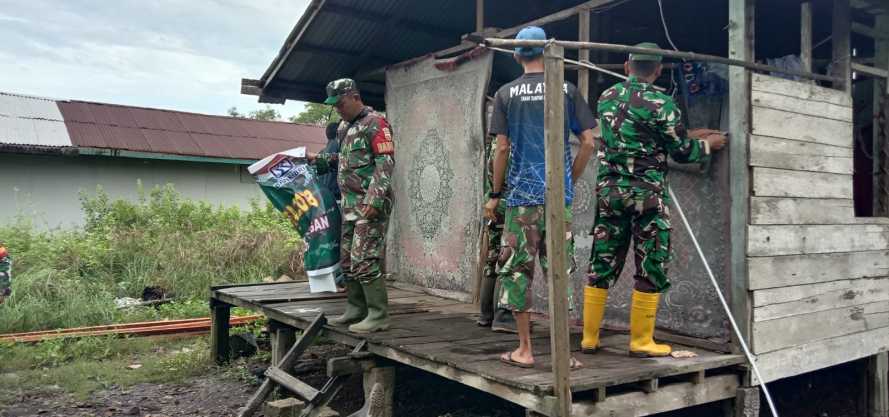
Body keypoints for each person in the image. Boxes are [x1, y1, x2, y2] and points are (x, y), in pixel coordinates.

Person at [581, 43, 727, 357]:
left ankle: (589, 337)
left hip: (609, 194)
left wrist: (691, 132)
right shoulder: (663, 103)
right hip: (647, 197)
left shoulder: (606, 99)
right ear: (658, 70)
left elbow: (637, 130)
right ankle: (641, 341)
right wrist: (709, 144)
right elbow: (680, 150)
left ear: (626, 66)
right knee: (650, 263)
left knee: (602, 261)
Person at [485, 26, 598, 369]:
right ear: (548, 54)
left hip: (521, 197)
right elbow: (589, 143)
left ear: (518, 54)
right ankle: (563, 354)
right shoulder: (567, 89)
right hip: (556, 197)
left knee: (518, 270)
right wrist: (568, 180)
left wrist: (494, 194)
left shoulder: (506, 94)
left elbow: (502, 147)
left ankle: (525, 350)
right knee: (559, 271)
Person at [308, 78, 395, 334]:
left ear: (355, 97)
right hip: (349, 205)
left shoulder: (376, 123)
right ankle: (356, 309)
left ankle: (378, 315)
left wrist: (374, 199)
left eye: (341, 103)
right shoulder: (345, 127)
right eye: (334, 105)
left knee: (364, 258)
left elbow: (385, 162)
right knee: (347, 260)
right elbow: (343, 160)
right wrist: (319, 159)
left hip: (371, 204)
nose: (338, 109)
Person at [477, 128, 516, 333]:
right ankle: (504, 315)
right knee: (509, 258)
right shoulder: (507, 145)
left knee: (492, 257)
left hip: (492, 203)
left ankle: (486, 313)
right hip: (507, 202)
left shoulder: (493, 144)